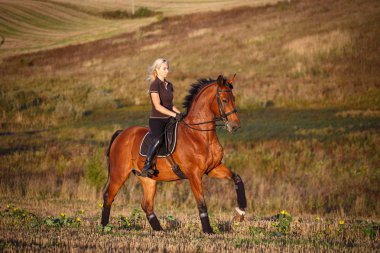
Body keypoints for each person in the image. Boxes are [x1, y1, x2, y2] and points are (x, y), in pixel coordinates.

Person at [141, 58, 183, 177]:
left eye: (168, 68)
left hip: (169, 117)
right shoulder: (154, 85)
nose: (167, 71)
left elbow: (170, 105)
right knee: (159, 139)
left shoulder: (169, 85)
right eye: (164, 68)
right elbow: (158, 106)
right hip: (157, 120)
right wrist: (174, 115)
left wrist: (181, 114)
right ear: (157, 69)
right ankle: (147, 165)